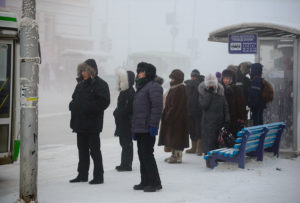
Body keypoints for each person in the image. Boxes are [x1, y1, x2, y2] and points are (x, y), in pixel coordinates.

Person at [69, 59, 110, 184]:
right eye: (82, 71)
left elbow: (104, 102)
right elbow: (74, 98)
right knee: (82, 150)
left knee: (95, 151)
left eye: (86, 71)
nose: (83, 73)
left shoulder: (101, 84)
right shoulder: (80, 84)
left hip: (92, 124)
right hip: (80, 123)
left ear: (92, 71)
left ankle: (98, 176)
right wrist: (72, 105)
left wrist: (88, 107)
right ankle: (82, 175)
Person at [132, 62, 163, 192]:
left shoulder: (153, 86)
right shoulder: (141, 87)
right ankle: (145, 181)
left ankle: (155, 182)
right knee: (141, 155)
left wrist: (153, 126)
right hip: (140, 128)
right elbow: (137, 110)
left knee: (147, 155)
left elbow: (157, 108)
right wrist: (134, 129)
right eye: (138, 71)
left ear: (148, 73)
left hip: (147, 127)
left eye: (142, 71)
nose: (139, 73)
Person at [198, 73, 230, 167]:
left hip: (219, 122)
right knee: (208, 142)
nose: (212, 86)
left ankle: (216, 158)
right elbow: (204, 105)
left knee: (217, 141)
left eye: (213, 84)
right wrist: (209, 94)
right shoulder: (203, 93)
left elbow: (225, 107)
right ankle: (209, 160)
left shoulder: (220, 93)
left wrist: (227, 120)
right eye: (209, 85)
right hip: (208, 123)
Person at [158, 69, 189, 163]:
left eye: (172, 79)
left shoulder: (180, 89)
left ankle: (177, 157)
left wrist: (168, 116)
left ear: (177, 79)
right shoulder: (175, 88)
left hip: (178, 119)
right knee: (173, 138)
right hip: (174, 118)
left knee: (177, 139)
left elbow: (176, 106)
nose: (171, 80)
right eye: (171, 78)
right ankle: (173, 155)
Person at [113, 68, 135, 172]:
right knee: (124, 143)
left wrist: (117, 112)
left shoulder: (129, 92)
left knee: (126, 144)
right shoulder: (125, 91)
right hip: (123, 121)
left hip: (127, 122)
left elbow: (128, 108)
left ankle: (127, 164)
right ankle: (124, 163)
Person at [221, 69, 247, 137]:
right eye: (224, 78)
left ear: (232, 79)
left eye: (228, 78)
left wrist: (242, 119)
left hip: (234, 121)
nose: (225, 80)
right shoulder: (221, 90)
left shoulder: (237, 90)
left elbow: (241, 106)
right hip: (224, 121)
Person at [184, 69, 204, 155]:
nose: (193, 78)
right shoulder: (187, 85)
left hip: (199, 111)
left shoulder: (202, 84)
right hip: (190, 110)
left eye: (195, 76)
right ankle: (194, 147)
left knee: (198, 129)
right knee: (192, 129)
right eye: (192, 76)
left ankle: (200, 148)